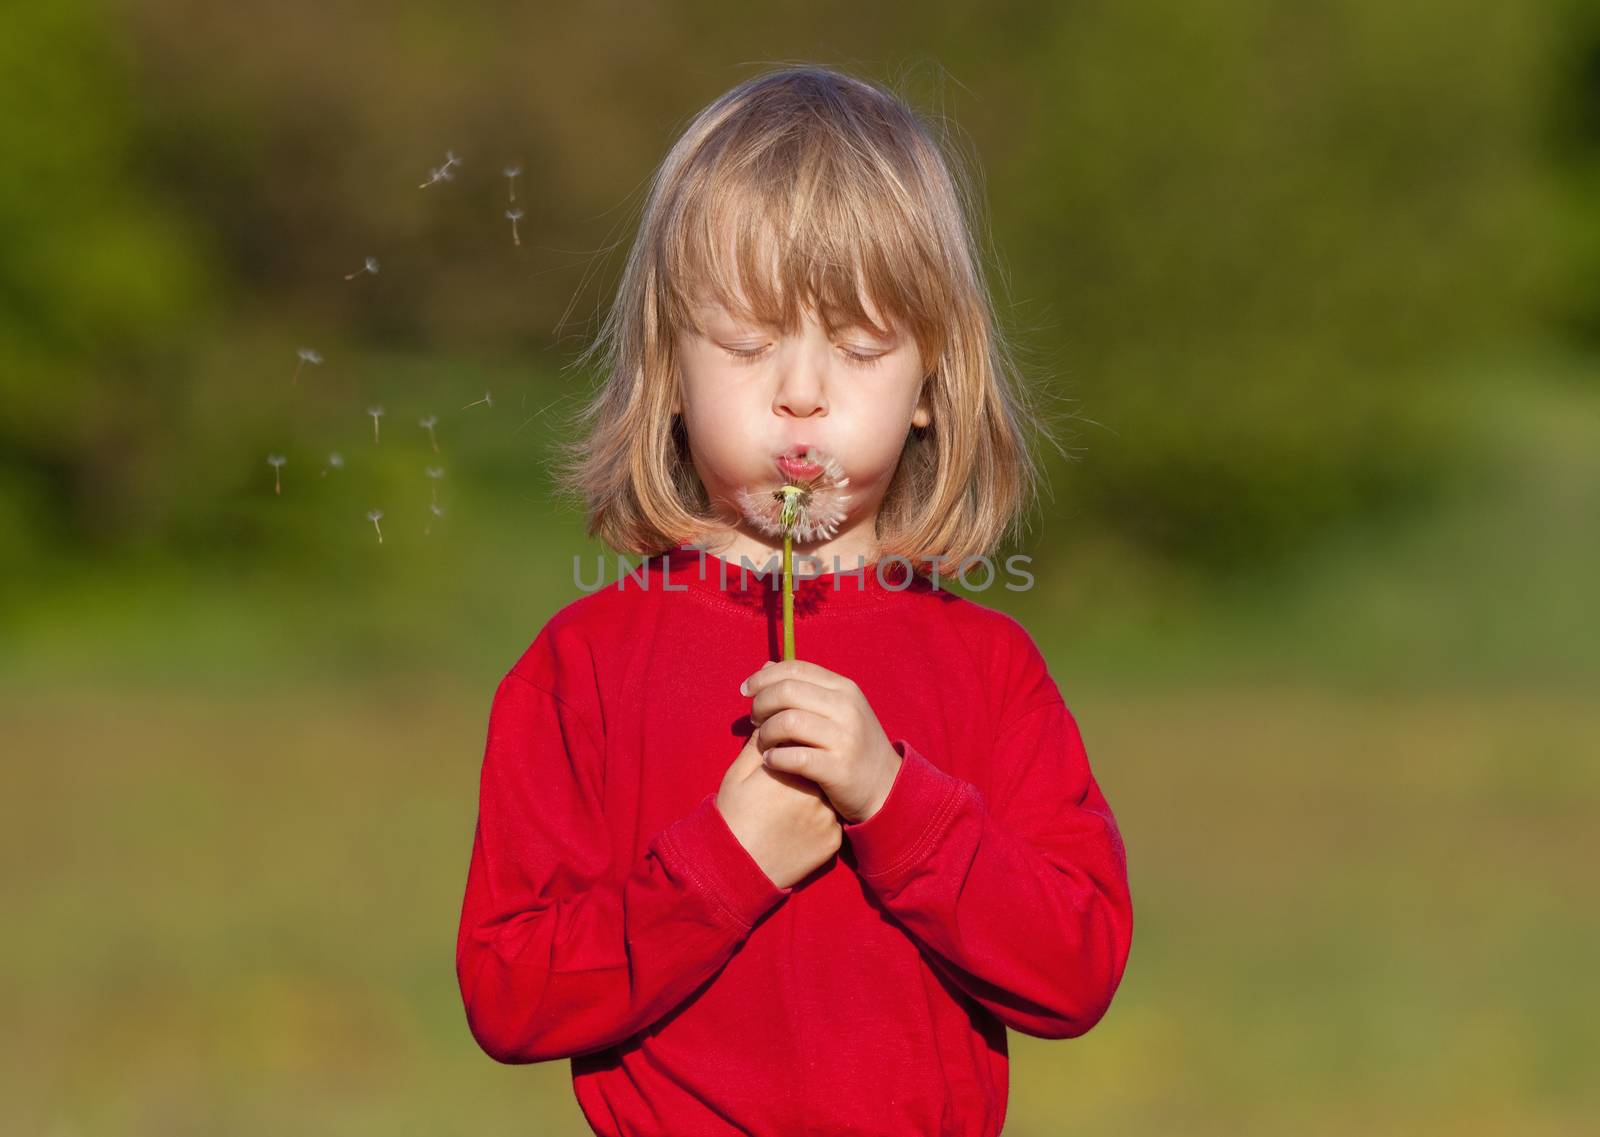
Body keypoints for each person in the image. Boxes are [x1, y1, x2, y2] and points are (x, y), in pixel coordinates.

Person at [455, 64, 1133, 1137]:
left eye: (861, 348)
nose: (801, 391)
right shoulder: (580, 665)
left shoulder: (990, 667)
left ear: (932, 384)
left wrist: (894, 804)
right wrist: (725, 866)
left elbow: (1076, 968)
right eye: (746, 342)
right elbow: (508, 990)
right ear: (668, 366)